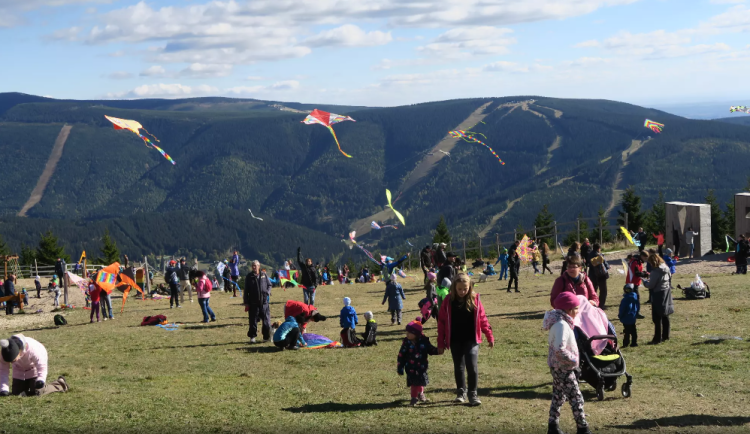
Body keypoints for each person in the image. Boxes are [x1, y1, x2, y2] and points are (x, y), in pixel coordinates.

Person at [437, 273, 494, 406]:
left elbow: (483, 319)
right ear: (454, 288)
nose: (462, 291)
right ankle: (461, 392)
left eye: (465, 289)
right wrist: (441, 342)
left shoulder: (476, 300)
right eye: (459, 289)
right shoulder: (447, 301)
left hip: (472, 339)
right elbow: (442, 322)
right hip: (455, 339)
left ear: (470, 287)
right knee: (459, 366)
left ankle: (473, 394)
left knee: (472, 366)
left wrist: (489, 335)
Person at [543, 293, 592, 434]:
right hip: (564, 367)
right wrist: (573, 361)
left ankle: (553, 426)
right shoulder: (561, 325)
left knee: (558, 396)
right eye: (576, 308)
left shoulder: (560, 323)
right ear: (569, 309)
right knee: (576, 397)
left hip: (558, 366)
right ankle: (583, 428)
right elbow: (559, 348)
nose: (578, 311)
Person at [1, 334, 69, 397]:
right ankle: (26, 388)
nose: (12, 363)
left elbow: (42, 366)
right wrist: (4, 389)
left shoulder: (33, 349)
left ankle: (60, 384)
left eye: (13, 360)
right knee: (16, 393)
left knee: (38, 392)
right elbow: (3, 371)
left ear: (19, 351)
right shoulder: (4, 353)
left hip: (33, 368)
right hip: (19, 370)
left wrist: (41, 380)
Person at [397, 318, 439, 406]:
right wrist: (400, 367)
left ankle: (421, 394)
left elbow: (430, 349)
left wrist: (438, 350)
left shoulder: (424, 341)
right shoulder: (406, 342)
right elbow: (401, 355)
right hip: (411, 367)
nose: (407, 334)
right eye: (406, 332)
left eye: (409, 332)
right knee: (413, 383)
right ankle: (413, 398)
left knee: (421, 381)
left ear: (416, 334)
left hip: (422, 367)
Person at [643, 254, 674, 345]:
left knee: (657, 318)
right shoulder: (666, 268)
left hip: (658, 293)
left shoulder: (655, 272)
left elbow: (651, 285)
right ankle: (666, 335)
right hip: (666, 292)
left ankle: (657, 338)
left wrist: (645, 282)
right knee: (665, 314)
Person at [244, 260, 272, 343]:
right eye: (252, 265)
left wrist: (268, 292)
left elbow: (269, 285)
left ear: (259, 266)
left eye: (255, 265)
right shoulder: (249, 277)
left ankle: (266, 337)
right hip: (253, 303)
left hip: (264, 303)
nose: (253, 267)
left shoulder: (264, 275)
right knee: (253, 321)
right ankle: (252, 337)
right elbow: (246, 291)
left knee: (266, 321)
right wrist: (246, 302)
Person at [626, 251, 648, 319]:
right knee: (635, 298)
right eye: (645, 258)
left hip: (634, 282)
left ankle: (632, 312)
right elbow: (636, 273)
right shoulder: (635, 262)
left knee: (632, 298)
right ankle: (636, 313)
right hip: (632, 283)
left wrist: (644, 273)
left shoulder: (637, 261)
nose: (645, 259)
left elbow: (638, 271)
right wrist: (645, 274)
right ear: (641, 256)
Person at [587, 243, 610, 309]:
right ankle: (601, 305)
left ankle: (593, 304)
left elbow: (588, 264)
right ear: (598, 248)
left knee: (593, 290)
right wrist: (608, 267)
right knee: (603, 291)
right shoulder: (600, 255)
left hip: (592, 275)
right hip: (601, 275)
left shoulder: (590, 255)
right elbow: (605, 264)